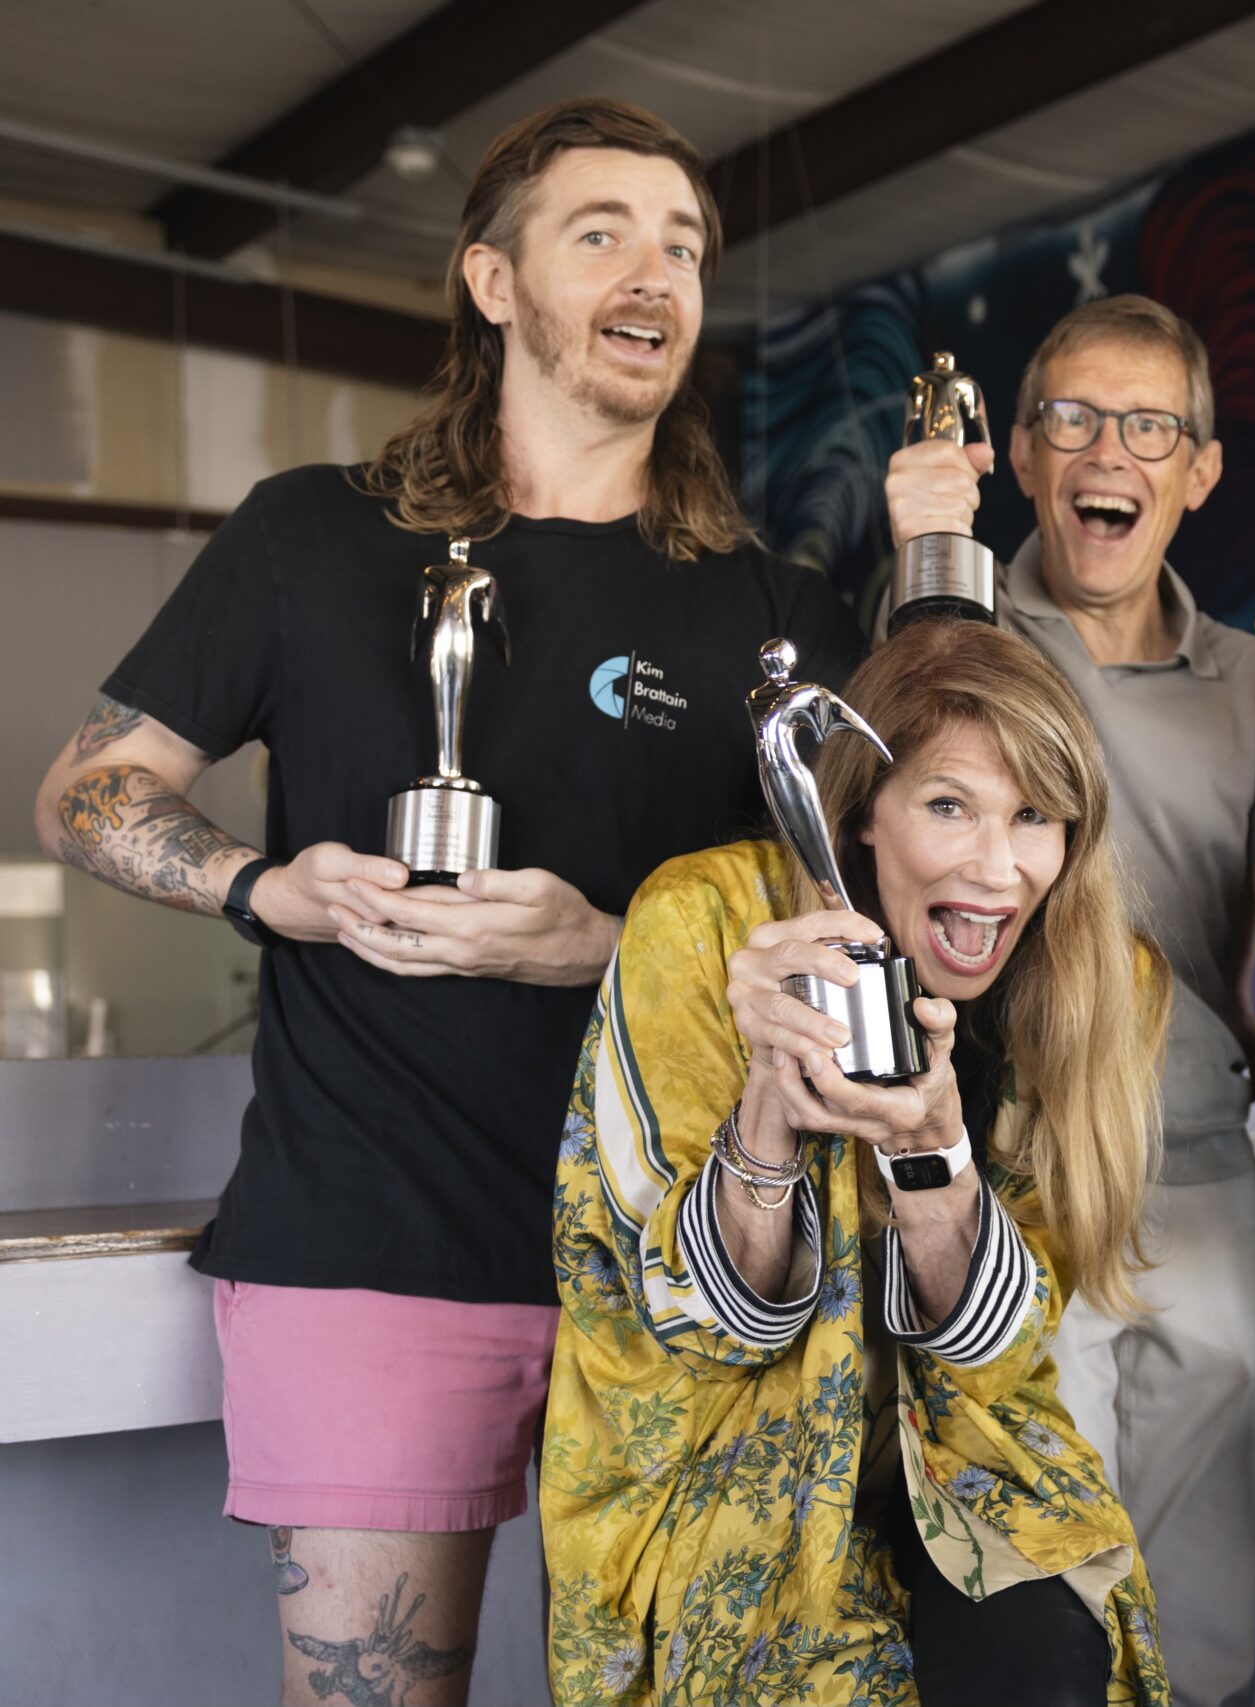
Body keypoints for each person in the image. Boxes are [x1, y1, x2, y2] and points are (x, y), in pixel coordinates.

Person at [29, 99, 859, 1703]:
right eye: (601, 230)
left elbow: (845, 934)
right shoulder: (309, 538)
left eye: (684, 243)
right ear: (491, 281)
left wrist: (610, 945)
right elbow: (85, 787)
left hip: (682, 1254)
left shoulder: (770, 609)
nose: (657, 270)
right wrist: (266, 886)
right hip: (366, 1244)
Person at [882, 294, 1255, 1706]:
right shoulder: (953, 625)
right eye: (1072, 418)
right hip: (1010, 1163)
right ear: (1024, 456)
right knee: (1040, 1610)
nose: (1110, 448)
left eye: (1148, 423)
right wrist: (924, 558)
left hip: (1196, 1166)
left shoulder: (1253, 683)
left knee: (1204, 1613)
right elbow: (881, 836)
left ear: (1197, 472)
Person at [544, 619, 1171, 1705]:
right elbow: (701, 1331)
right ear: (861, 814)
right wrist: (770, 1117)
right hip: (718, 1458)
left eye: (1033, 817)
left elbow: (997, 1352)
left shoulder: (1100, 980)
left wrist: (930, 1154)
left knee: (1055, 1662)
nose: (995, 868)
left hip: (963, 1452)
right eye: (948, 806)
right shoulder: (705, 923)